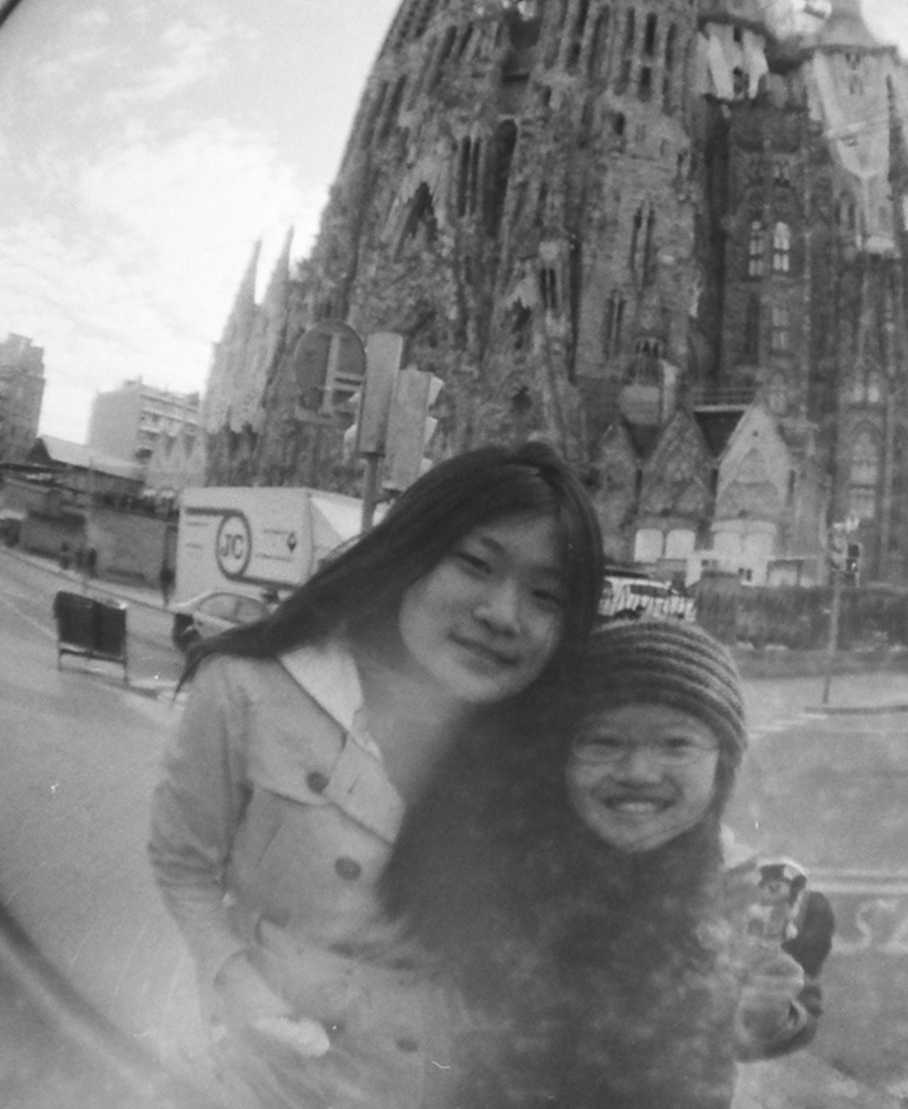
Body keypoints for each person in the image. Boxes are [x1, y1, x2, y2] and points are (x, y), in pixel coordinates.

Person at [147, 442, 605, 1109]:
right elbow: (182, 862)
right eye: (476, 564)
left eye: (546, 596)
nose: (504, 614)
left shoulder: (549, 749)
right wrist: (235, 979)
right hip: (252, 1073)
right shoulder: (249, 688)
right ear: (412, 553)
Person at [381, 619, 826, 1109]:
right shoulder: (508, 873)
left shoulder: (753, 894)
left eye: (676, 744)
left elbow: (766, 1027)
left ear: (722, 765)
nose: (638, 771)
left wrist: (768, 1014)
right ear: (560, 759)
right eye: (603, 743)